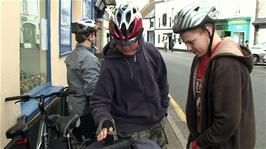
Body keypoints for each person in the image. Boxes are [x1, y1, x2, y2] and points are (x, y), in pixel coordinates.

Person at [172, 3, 255, 149]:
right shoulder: (199, 58)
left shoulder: (227, 65)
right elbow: (197, 104)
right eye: (185, 43)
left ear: (208, 31)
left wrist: (198, 144)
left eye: (191, 42)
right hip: (205, 142)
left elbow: (227, 122)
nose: (188, 48)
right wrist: (193, 138)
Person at [90, 3, 169, 149]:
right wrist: (104, 119)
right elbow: (99, 101)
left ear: (140, 34)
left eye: (130, 43)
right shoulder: (109, 65)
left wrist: (164, 107)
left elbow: (162, 82)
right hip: (131, 133)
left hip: (158, 124)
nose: (126, 48)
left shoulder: (151, 52)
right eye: (121, 43)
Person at [65, 19, 101, 142]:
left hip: (73, 107)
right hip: (85, 111)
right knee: (89, 141)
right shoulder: (89, 58)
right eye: (94, 34)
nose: (94, 37)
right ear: (90, 37)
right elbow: (93, 90)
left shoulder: (72, 54)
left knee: (79, 139)